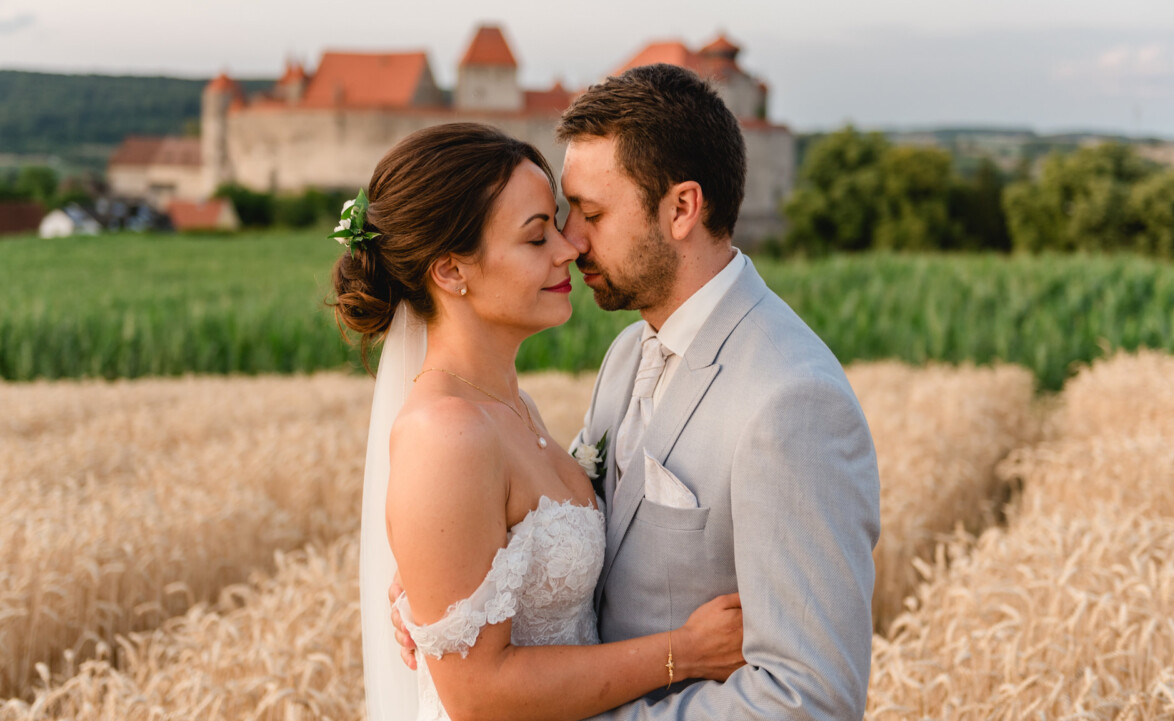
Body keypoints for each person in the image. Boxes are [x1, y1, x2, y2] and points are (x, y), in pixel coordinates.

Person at [394, 65, 882, 719]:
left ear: (681, 208)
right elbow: (546, 522)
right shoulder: (628, 353)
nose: (570, 241)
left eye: (590, 213)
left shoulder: (790, 402)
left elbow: (809, 698)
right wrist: (449, 578)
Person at [331, 122, 746, 721]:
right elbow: (476, 695)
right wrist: (684, 653)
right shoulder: (445, 433)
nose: (568, 249)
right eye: (535, 238)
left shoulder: (513, 409)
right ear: (451, 271)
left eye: (557, 223)